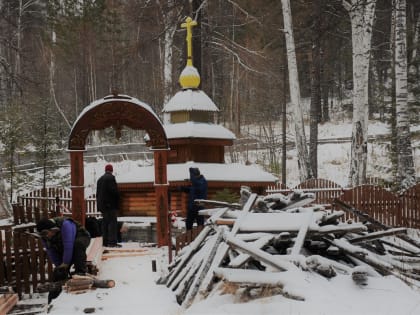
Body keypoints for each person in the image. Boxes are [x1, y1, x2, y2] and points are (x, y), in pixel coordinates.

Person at [36, 217, 91, 303]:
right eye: (43, 234)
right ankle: (52, 300)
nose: (46, 236)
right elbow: (51, 252)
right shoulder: (44, 237)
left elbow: (68, 245)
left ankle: (80, 272)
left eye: (47, 233)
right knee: (58, 272)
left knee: (78, 246)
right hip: (62, 244)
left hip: (80, 237)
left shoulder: (66, 225)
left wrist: (65, 263)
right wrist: (60, 267)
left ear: (52, 229)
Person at [96, 163, 121, 247]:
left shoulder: (100, 179)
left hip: (103, 206)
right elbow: (114, 191)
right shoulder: (111, 178)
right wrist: (118, 197)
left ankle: (105, 242)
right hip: (110, 205)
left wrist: (99, 205)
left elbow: (97, 194)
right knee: (112, 224)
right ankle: (112, 243)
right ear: (111, 170)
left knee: (105, 223)